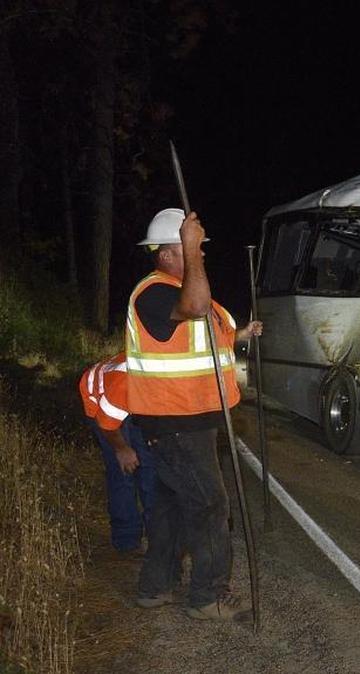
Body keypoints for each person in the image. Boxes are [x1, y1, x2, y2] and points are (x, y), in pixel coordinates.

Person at [124, 208, 262, 622]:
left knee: (170, 506)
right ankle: (208, 597)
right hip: (177, 421)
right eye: (190, 248)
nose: (199, 253)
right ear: (167, 253)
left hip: (187, 420)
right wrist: (192, 249)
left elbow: (205, 337)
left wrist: (240, 335)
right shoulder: (156, 292)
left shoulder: (173, 291)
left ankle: (155, 587)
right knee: (209, 507)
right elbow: (196, 306)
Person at [79, 352, 156, 556]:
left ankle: (157, 538)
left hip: (133, 403)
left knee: (149, 467)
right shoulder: (125, 384)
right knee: (123, 471)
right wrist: (122, 449)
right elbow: (107, 423)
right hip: (100, 402)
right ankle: (126, 540)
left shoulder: (161, 380)